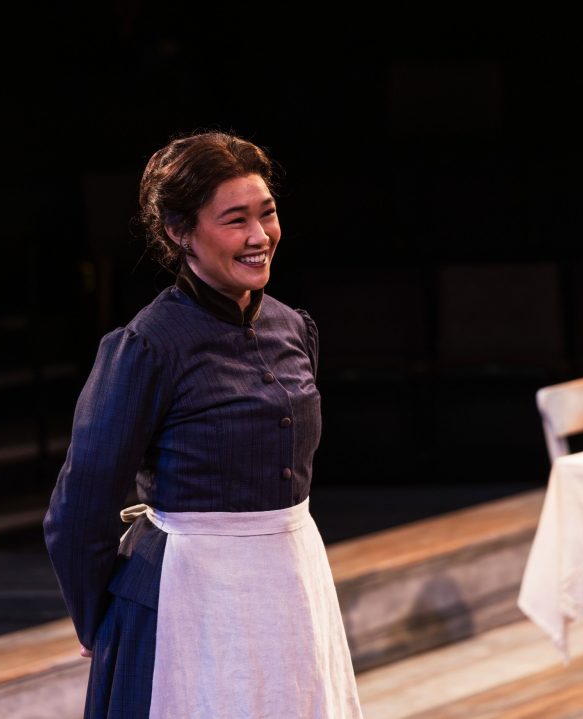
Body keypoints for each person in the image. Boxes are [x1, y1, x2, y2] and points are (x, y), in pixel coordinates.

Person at [44, 130, 363, 718]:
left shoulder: (292, 328)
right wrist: (98, 619)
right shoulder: (149, 346)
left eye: (266, 214)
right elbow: (79, 506)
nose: (259, 237)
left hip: (292, 584)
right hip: (192, 596)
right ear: (179, 231)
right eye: (234, 220)